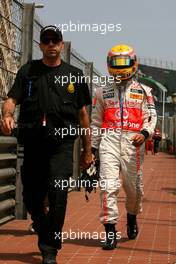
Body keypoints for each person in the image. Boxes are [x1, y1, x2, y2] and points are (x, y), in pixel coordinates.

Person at [1, 25, 92, 264]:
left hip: (61, 145)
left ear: (61, 45)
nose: (51, 44)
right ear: (41, 45)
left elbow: (83, 116)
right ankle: (45, 230)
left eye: (55, 40)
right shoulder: (27, 71)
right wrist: (7, 115)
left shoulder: (75, 75)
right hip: (33, 143)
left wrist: (87, 150)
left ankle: (49, 249)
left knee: (58, 192)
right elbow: (11, 99)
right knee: (31, 196)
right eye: (46, 40)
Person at [91, 44, 157, 250]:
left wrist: (145, 134)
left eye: (125, 63)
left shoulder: (145, 91)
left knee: (134, 189)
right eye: (116, 63)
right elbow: (95, 122)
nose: (121, 67)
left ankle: (131, 217)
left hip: (133, 143)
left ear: (133, 63)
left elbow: (151, 117)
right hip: (109, 142)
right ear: (109, 65)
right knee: (108, 187)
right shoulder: (101, 92)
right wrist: (93, 149)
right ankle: (110, 231)